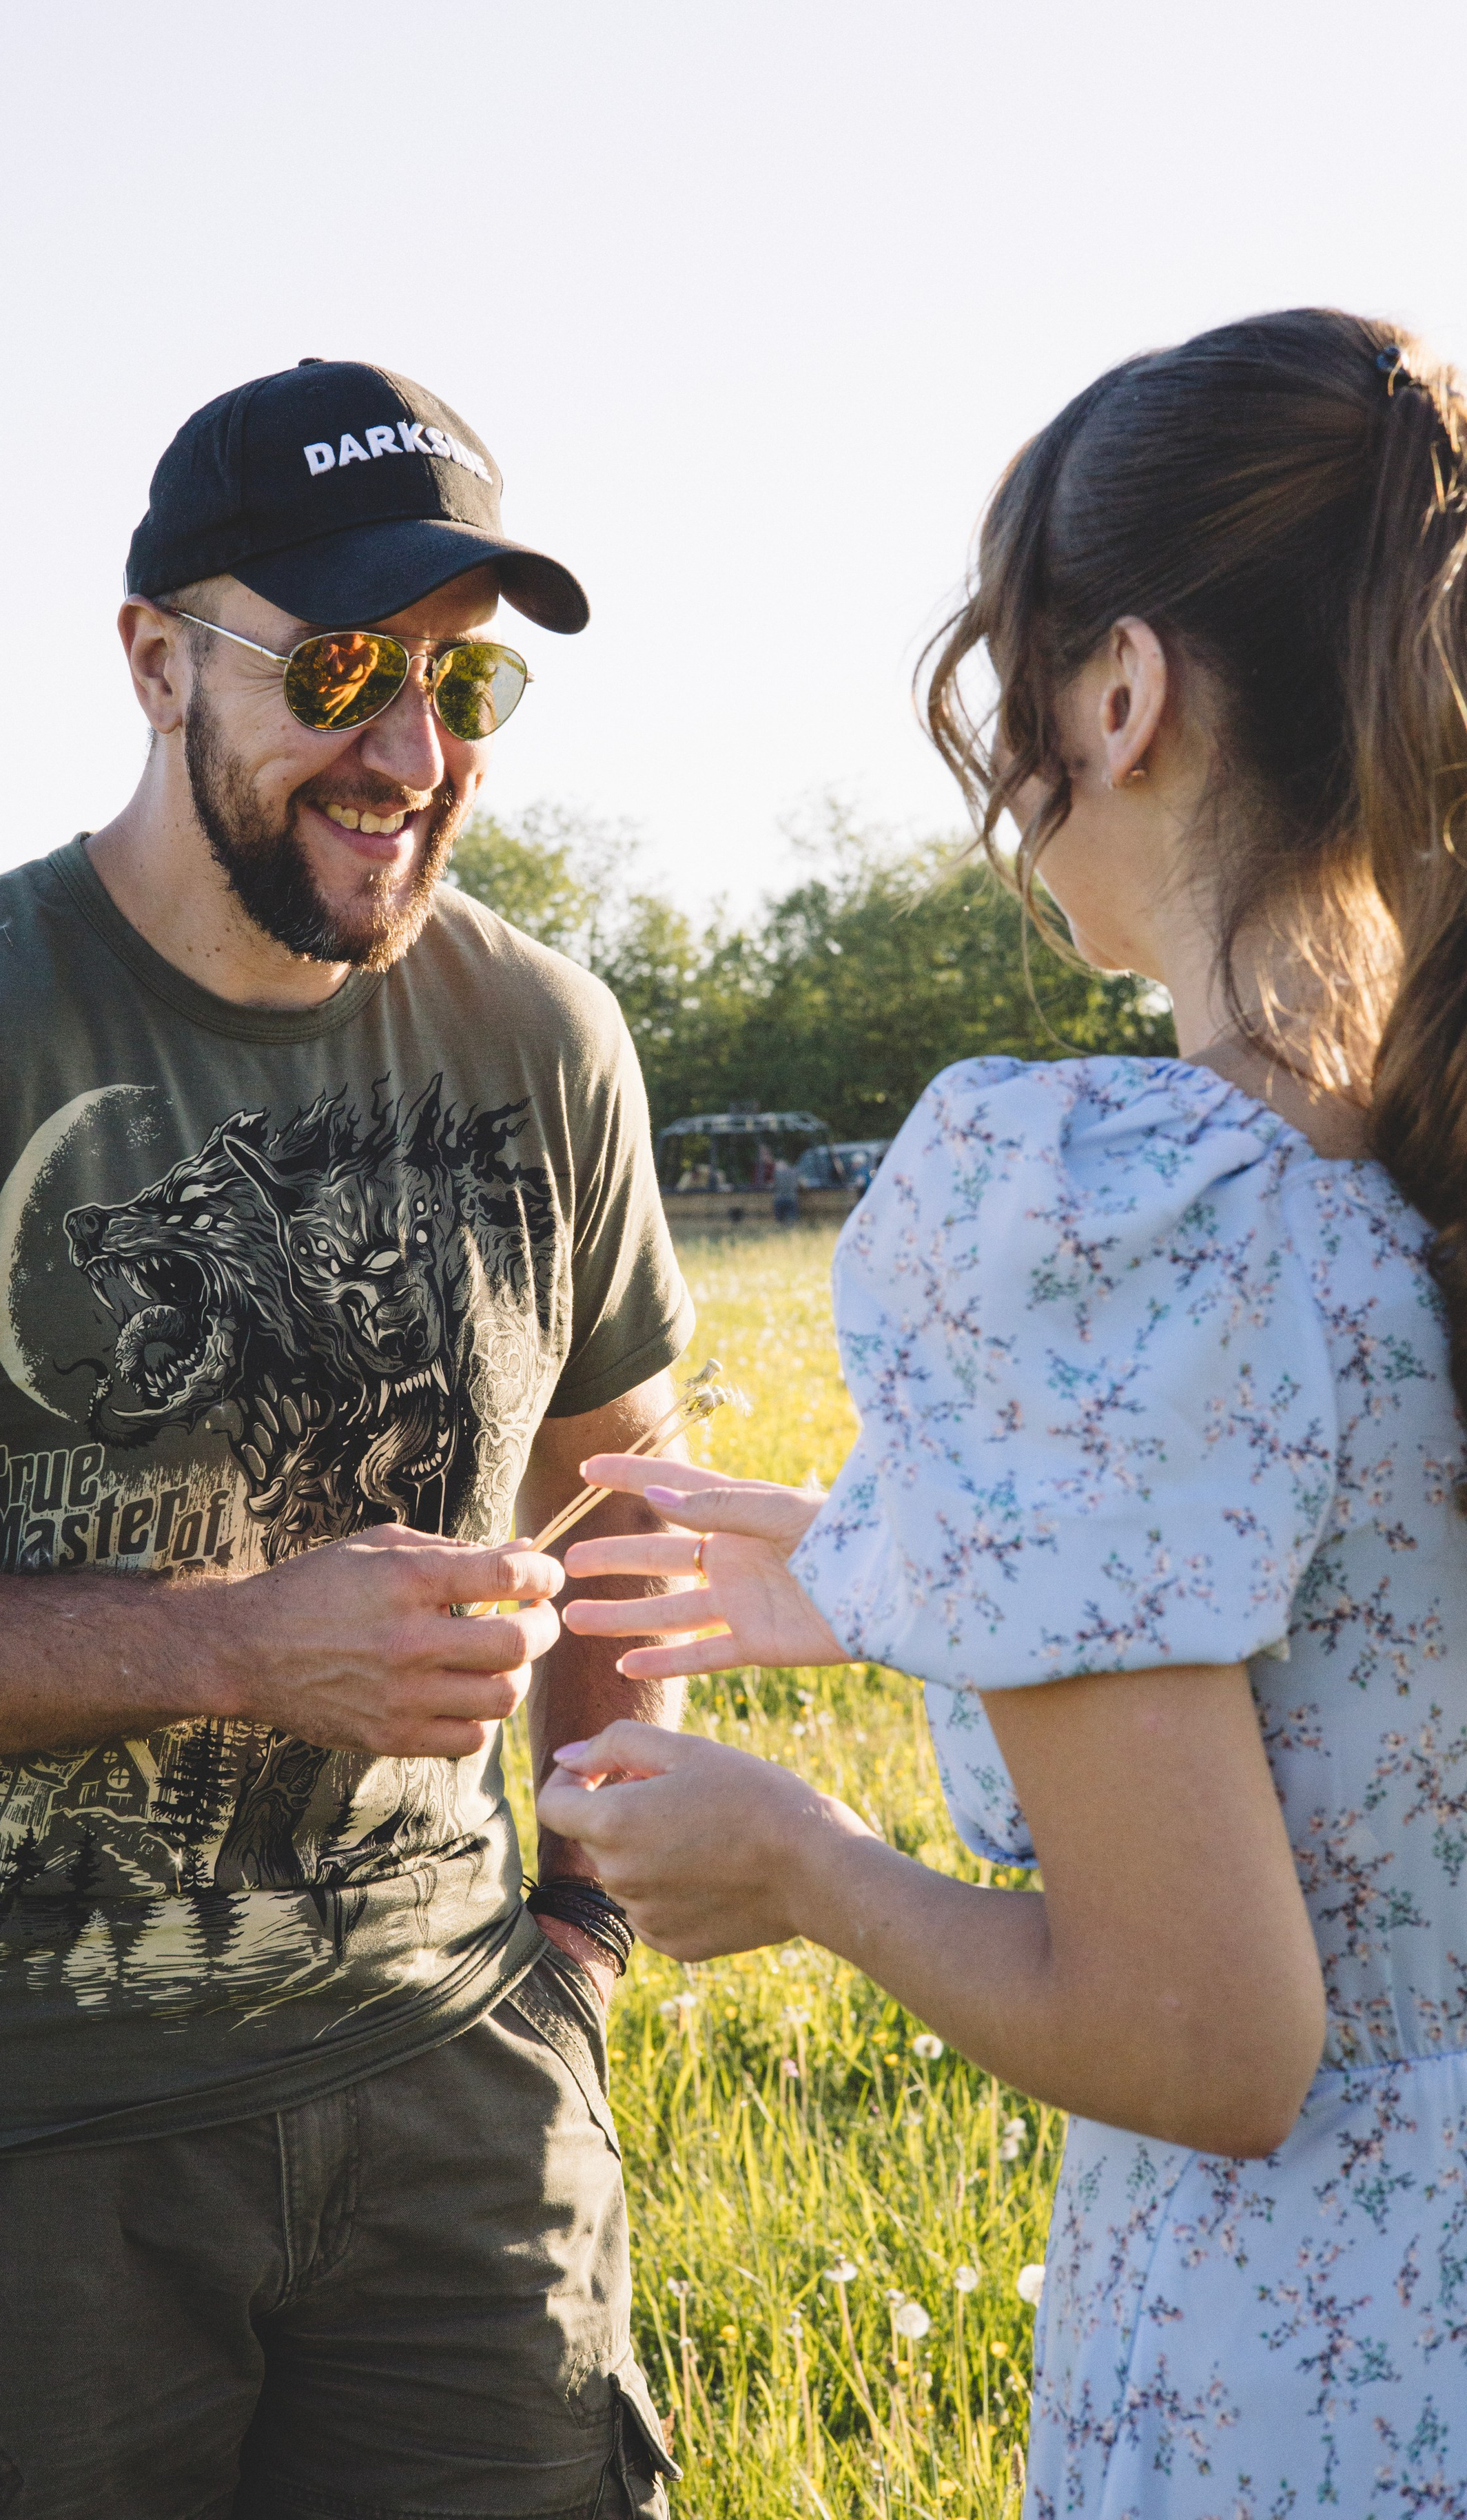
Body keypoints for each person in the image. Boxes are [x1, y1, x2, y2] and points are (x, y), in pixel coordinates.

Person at [0, 360, 689, 2518]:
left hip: (465, 2104)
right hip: (13, 2151)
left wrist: (584, 1936)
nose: (412, 754)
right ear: (156, 659)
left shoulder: (546, 1042)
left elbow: (619, 1487)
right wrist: (238, 1646)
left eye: (465, 684)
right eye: (341, 665)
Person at [538, 311, 1467, 2512]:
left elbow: (1207, 2046)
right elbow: (1365, 1636)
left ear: (1123, 694)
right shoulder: (1404, 1171)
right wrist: (873, 1568)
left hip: (1309, 2377)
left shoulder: (1097, 1210)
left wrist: (802, 1864)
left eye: (1013, 677)